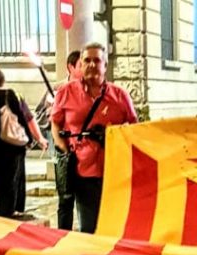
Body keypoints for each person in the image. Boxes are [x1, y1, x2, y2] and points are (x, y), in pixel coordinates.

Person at [51, 42, 138, 233]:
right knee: (89, 228)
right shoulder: (66, 93)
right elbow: (55, 123)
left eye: (96, 60)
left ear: (105, 65)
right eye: (87, 60)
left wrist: (114, 133)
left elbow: (134, 128)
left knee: (115, 226)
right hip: (83, 172)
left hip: (114, 172)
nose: (91, 64)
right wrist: (64, 150)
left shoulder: (120, 96)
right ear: (80, 64)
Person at [0, 68, 47, 219]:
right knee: (13, 180)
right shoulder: (10, 95)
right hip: (13, 148)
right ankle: (13, 211)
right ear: (3, 80)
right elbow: (22, 119)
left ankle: (1, 211)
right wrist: (30, 139)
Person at [45, 49, 82, 230]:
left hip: (84, 152)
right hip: (64, 151)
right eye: (82, 65)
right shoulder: (59, 89)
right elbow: (50, 119)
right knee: (65, 198)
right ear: (71, 67)